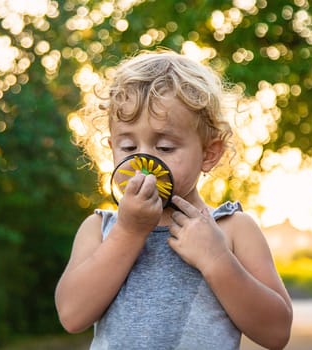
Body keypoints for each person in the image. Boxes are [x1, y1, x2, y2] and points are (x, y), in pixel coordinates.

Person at [55, 49, 293, 349]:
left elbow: (276, 333)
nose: (143, 161)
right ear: (111, 148)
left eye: (165, 147)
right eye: (128, 147)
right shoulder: (99, 229)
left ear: (209, 153)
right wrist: (128, 233)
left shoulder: (232, 229)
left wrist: (216, 259)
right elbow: (72, 315)